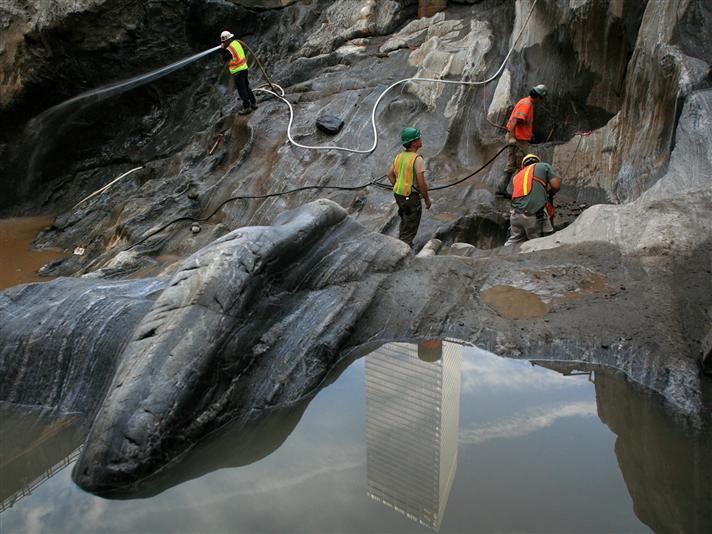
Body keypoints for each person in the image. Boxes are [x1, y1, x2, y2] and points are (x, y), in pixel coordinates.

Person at [496, 84, 548, 197]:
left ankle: (501, 188)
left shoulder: (525, 102)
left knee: (511, 165)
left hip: (518, 138)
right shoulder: (527, 105)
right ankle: (520, 193)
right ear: (539, 97)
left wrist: (529, 133)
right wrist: (512, 137)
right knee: (523, 167)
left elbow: (521, 123)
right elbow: (514, 122)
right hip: (518, 141)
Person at [386, 127, 432, 248]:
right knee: (411, 226)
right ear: (413, 143)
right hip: (411, 197)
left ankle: (402, 242)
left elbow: (389, 174)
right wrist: (427, 199)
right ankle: (403, 250)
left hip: (399, 195)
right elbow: (422, 184)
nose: (421, 139)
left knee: (405, 220)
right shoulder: (417, 159)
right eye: (418, 138)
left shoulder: (399, 156)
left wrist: (398, 186)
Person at [504, 153, 560, 246]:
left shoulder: (516, 176)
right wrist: (550, 193)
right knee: (541, 242)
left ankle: (501, 256)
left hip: (515, 215)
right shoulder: (544, 166)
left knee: (513, 242)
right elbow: (556, 185)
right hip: (533, 214)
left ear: (523, 166)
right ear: (537, 161)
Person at [220, 30, 257, 115]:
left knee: (242, 90)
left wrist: (222, 49)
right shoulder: (236, 43)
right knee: (247, 87)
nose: (223, 43)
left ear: (226, 40)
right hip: (244, 68)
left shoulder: (229, 49)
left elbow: (225, 59)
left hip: (238, 71)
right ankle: (254, 103)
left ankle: (247, 107)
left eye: (223, 41)